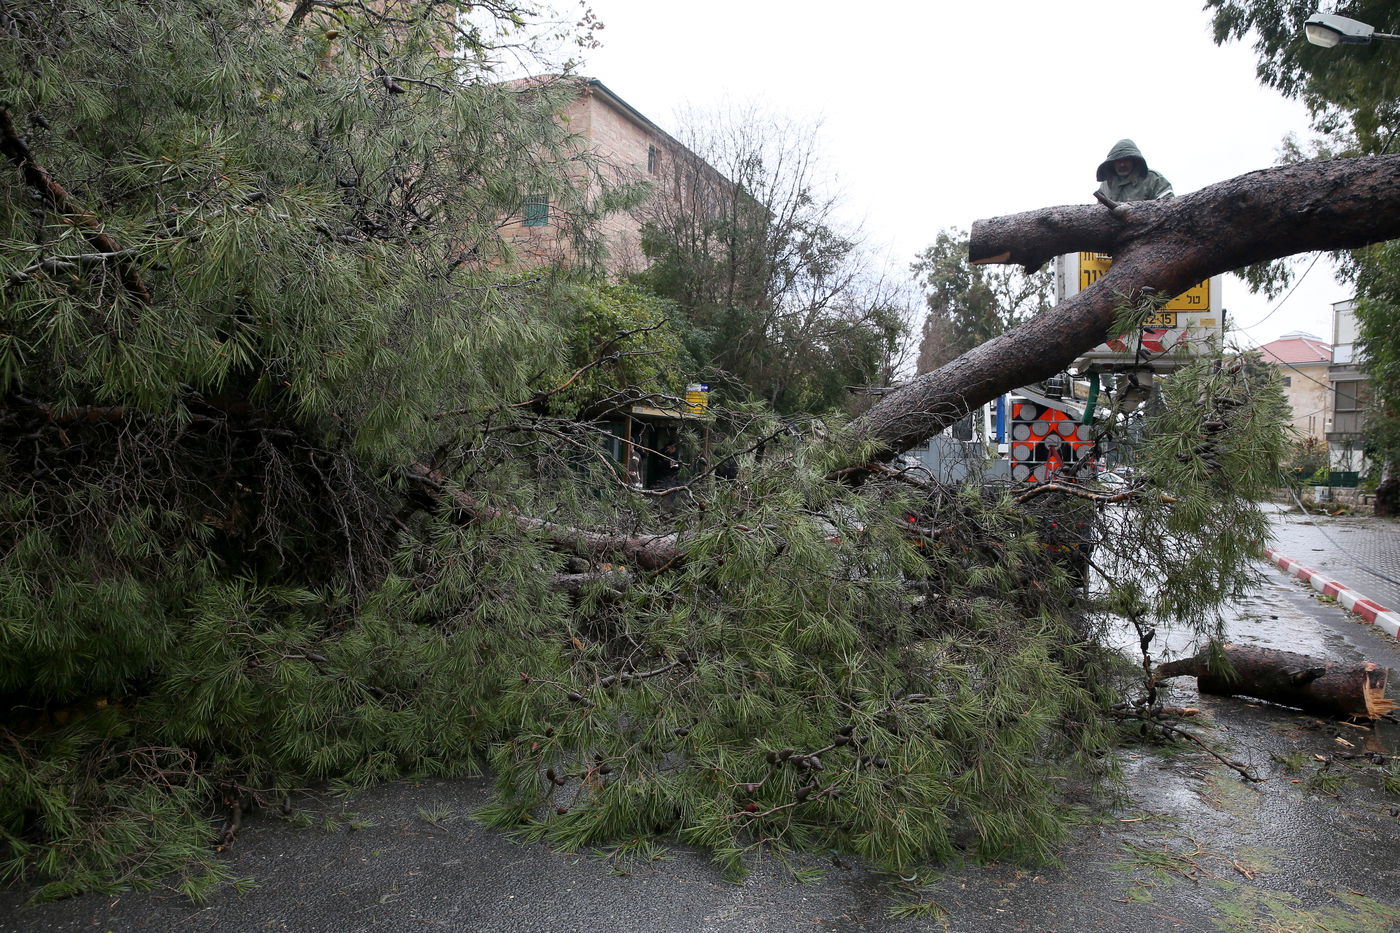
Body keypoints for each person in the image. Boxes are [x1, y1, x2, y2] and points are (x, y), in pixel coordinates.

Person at [1095, 139, 1173, 203]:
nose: (1122, 164)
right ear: (1112, 163)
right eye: (1118, 161)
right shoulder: (1106, 185)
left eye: (1126, 160)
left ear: (1134, 160)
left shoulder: (1153, 179)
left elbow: (1168, 206)